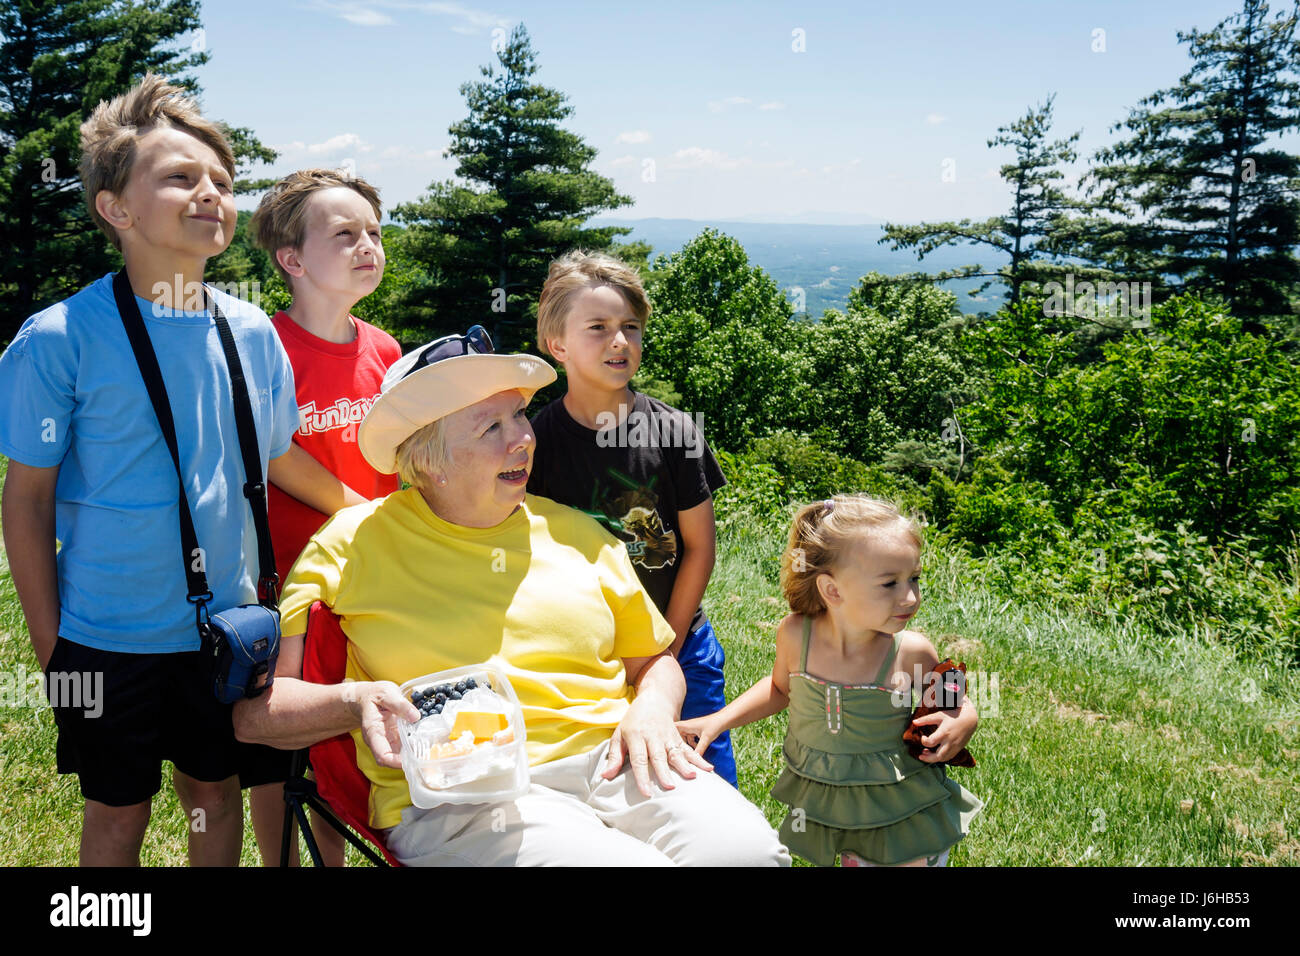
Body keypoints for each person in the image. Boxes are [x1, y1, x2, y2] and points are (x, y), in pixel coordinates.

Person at [232, 327, 790, 866]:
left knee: (749, 854)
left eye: (520, 414)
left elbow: (655, 663)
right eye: (490, 426)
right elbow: (258, 716)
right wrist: (354, 701)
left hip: (616, 761)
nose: (524, 437)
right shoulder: (349, 545)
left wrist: (652, 707)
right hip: (466, 794)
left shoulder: (580, 533)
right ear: (428, 459)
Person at [0, 74, 362, 866]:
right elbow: (25, 500)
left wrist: (366, 510)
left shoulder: (250, 334)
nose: (211, 195)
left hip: (225, 630)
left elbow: (274, 456)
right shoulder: (58, 338)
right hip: (100, 639)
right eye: (180, 178)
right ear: (115, 209)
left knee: (214, 797)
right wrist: (51, 645)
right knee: (116, 816)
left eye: (222, 183)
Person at [677, 494, 983, 866]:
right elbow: (779, 688)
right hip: (834, 800)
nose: (910, 597)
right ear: (832, 590)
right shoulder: (795, 635)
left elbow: (952, 698)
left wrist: (965, 715)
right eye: (890, 583)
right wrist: (719, 719)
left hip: (902, 807)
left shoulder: (910, 652)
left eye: (914, 578)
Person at [240, 168, 403, 866]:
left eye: (374, 232)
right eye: (345, 234)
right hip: (285, 588)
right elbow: (273, 453)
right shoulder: (263, 346)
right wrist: (362, 513)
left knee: (344, 737)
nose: (368, 245)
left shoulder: (387, 350)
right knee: (281, 747)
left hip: (371, 582)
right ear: (292, 259)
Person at [527, 250, 738, 787]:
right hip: (581, 656)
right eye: (597, 328)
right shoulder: (533, 443)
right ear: (557, 345)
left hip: (680, 643)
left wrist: (665, 649)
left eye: (630, 328)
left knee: (702, 782)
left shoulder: (674, 433)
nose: (619, 341)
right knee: (611, 788)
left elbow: (698, 548)